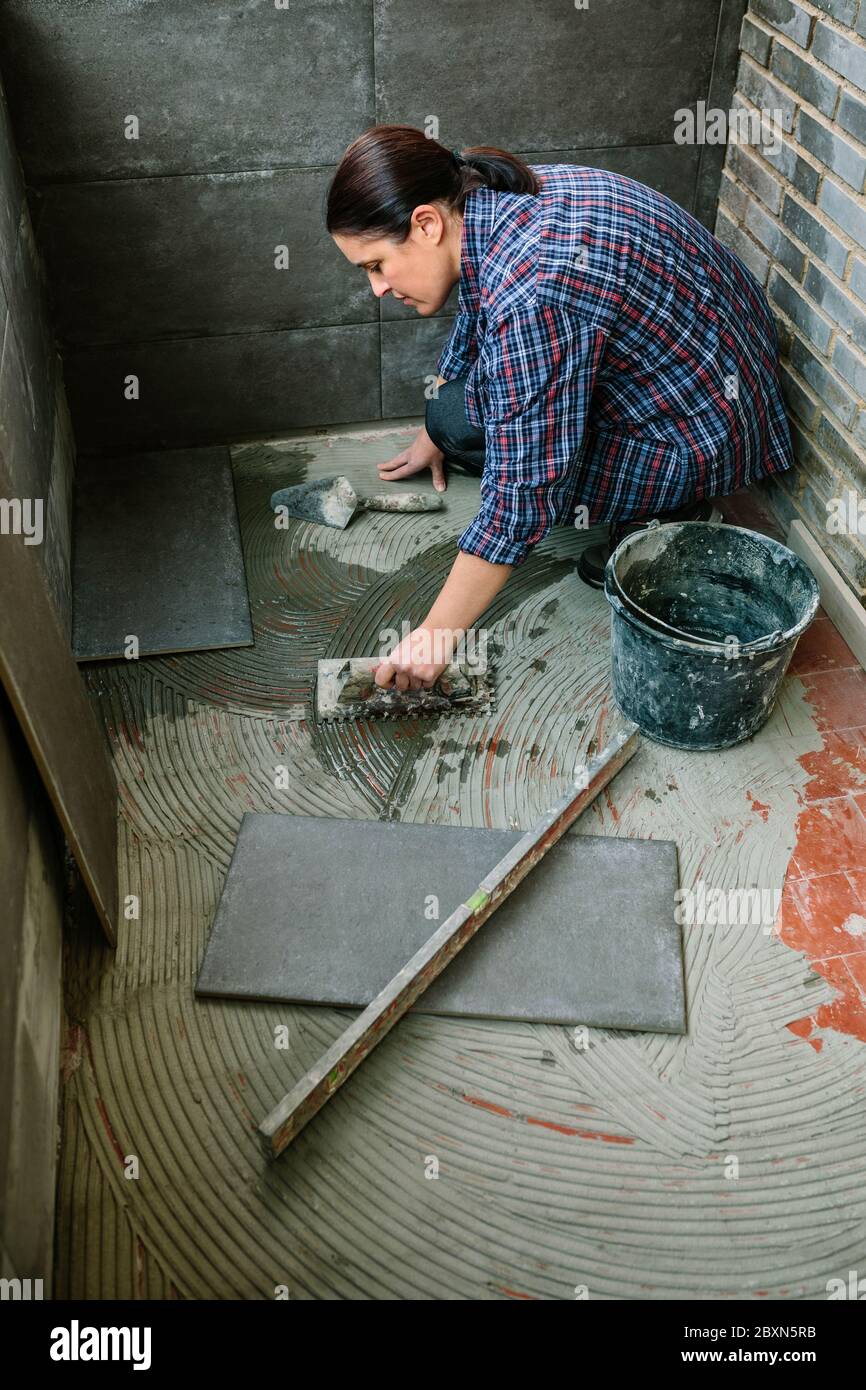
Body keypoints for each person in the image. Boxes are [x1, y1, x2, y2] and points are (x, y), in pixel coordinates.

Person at [327, 124, 795, 693]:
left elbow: (526, 490)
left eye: (376, 265)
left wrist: (435, 634)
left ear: (426, 223)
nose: (376, 288)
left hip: (706, 432)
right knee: (455, 417)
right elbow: (478, 309)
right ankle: (642, 486)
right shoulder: (494, 200)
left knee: (507, 456)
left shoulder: (536, 287)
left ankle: (670, 512)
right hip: (702, 375)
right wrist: (438, 432)